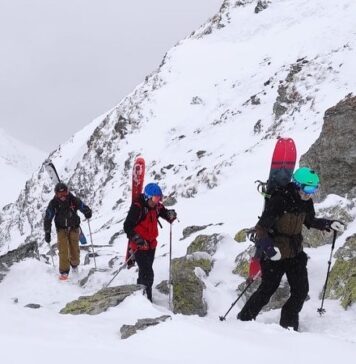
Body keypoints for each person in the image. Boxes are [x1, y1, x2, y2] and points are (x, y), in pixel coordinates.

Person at [237, 167, 344, 331]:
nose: (310, 193)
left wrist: (328, 223)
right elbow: (261, 229)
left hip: (295, 253)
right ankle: (242, 321)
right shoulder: (279, 200)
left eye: (314, 189)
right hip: (274, 254)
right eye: (308, 188)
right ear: (296, 185)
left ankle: (288, 328)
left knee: (301, 291)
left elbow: (310, 221)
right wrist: (269, 249)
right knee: (267, 290)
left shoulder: (306, 202)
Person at [123, 183, 177, 301]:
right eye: (155, 198)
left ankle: (138, 295)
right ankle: (147, 300)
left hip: (151, 245)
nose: (157, 201)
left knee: (144, 271)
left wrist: (171, 215)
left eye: (159, 198)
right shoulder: (138, 207)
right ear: (148, 197)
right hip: (139, 246)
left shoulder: (156, 207)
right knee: (148, 273)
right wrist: (138, 239)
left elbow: (165, 214)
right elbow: (127, 226)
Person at [44, 182, 92, 280]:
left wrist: (87, 211)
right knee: (63, 249)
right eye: (59, 194)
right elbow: (48, 217)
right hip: (61, 229)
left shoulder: (73, 200)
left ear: (67, 192)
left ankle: (74, 266)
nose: (62, 196)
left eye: (64, 193)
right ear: (56, 194)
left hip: (74, 227)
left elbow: (82, 206)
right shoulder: (54, 203)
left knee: (74, 248)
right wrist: (47, 232)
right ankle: (64, 271)